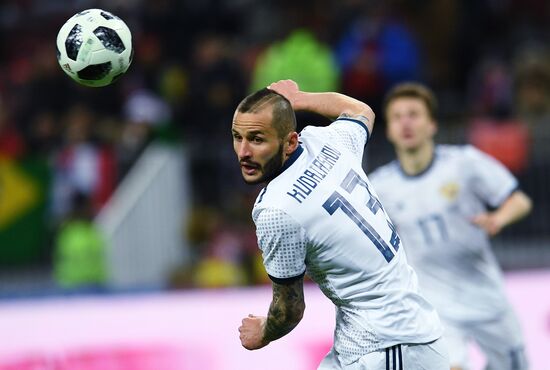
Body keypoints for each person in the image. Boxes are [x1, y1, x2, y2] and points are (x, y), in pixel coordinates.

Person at [234, 79, 448, 369]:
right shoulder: (326, 142)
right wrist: (300, 97)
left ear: (290, 143)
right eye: (238, 137)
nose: (244, 152)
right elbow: (360, 111)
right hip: (376, 338)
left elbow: (289, 311)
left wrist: (264, 332)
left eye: (257, 139)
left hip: (389, 346)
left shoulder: (276, 209)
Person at [369, 82, 532, 370]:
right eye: (397, 117)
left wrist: (499, 218)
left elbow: (519, 200)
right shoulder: (379, 186)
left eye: (413, 114)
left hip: (486, 297)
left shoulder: (464, 163)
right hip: (434, 305)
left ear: (432, 124)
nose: (405, 122)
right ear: (390, 130)